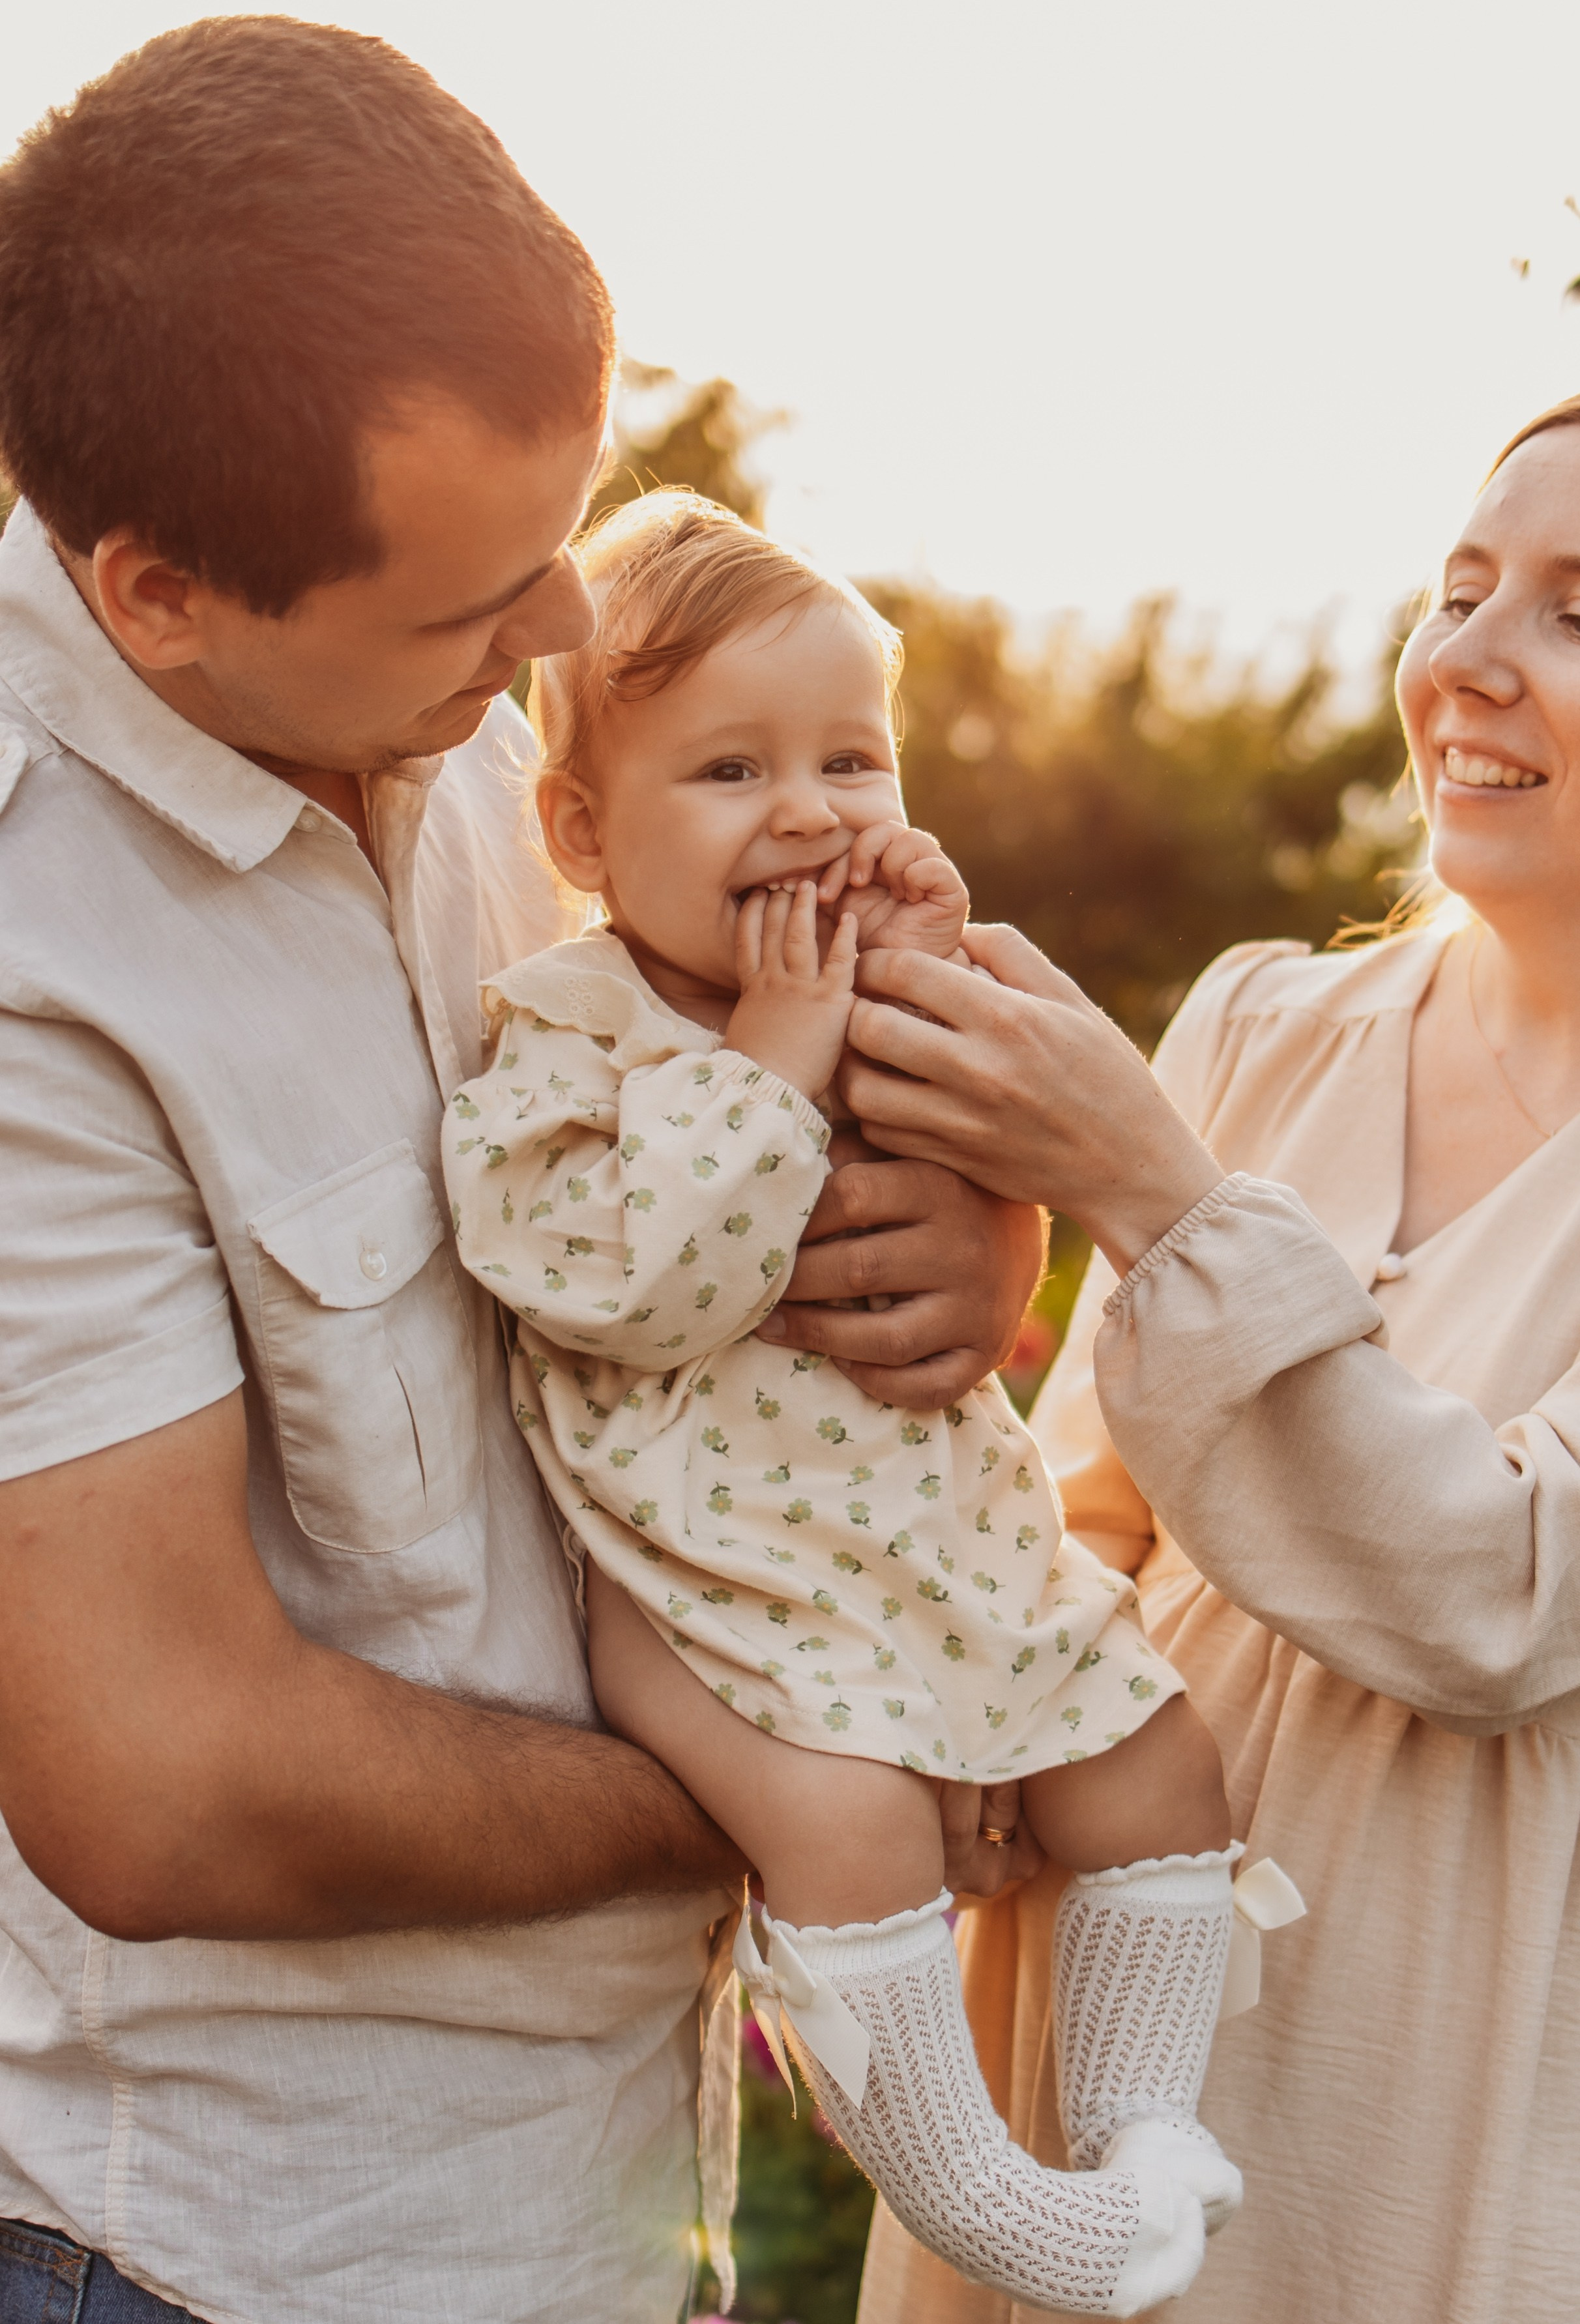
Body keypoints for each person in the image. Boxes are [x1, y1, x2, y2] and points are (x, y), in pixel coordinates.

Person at [0, 24, 1040, 2324]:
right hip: (220, 2260)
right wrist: (823, 1768)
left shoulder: (469, 710)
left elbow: (702, 1153)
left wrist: (968, 1236)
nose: (562, 634)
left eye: (555, 544)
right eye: (477, 604)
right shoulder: (31, 959)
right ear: (161, 597)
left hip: (609, 2209)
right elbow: (164, 1780)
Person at [445, 492, 1250, 2317]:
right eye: (732, 770)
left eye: (852, 762)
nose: (810, 812)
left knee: (1158, 1761)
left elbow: (1009, 1172)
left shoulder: (872, 992)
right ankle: (980, 2197)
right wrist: (775, 1058)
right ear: (581, 830)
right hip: (696, 1574)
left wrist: (935, 963)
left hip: (933, 1539)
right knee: (855, 1827)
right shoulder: (565, 1036)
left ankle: (1142, 2126)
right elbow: (638, 1288)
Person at [837, 394, 1580, 2324]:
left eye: (1579, 613)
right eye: (1461, 591)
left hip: (1433, 2086)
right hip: (1104, 2008)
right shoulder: (1266, 1026)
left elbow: (1504, 1598)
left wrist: (1147, 1187)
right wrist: (991, 1725)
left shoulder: (1175, 1131)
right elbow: (1082, 1509)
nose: (1472, 662)